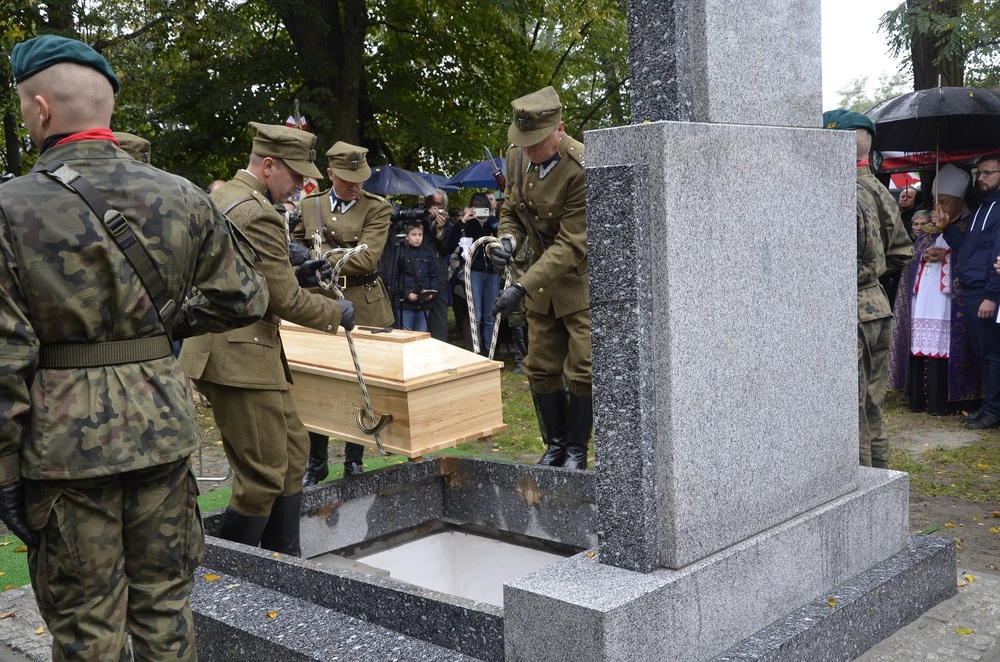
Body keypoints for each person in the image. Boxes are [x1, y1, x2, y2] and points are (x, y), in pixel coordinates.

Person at [0, 35, 269, 661]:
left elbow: (6, 353)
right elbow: (245, 298)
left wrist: (4, 468)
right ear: (109, 109)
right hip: (162, 427)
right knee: (165, 610)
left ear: (40, 108)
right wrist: (163, 324)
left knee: (87, 627)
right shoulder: (182, 194)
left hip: (65, 448)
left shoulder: (9, 208)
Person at [179, 122, 354, 557]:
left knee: (293, 452)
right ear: (269, 165)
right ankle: (229, 578)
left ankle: (283, 560)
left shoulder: (225, 196)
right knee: (263, 476)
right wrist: (337, 312)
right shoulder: (257, 212)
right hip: (237, 356)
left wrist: (297, 273)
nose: (299, 185)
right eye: (294, 175)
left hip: (236, 349)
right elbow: (284, 300)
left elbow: (243, 276)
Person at [489, 86, 591, 470]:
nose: (529, 150)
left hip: (576, 282)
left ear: (559, 128)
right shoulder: (517, 157)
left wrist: (521, 286)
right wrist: (507, 241)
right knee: (541, 367)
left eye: (537, 142)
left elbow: (570, 244)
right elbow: (511, 211)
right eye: (524, 142)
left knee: (583, 368)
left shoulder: (580, 167)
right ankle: (556, 445)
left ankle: (576, 451)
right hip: (539, 285)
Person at [295, 142, 393, 483]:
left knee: (360, 385)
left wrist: (316, 258)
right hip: (320, 304)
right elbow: (295, 247)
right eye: (349, 179)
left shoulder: (377, 208)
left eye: (360, 177)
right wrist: (302, 256)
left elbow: (367, 257)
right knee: (316, 384)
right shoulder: (310, 205)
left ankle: (354, 460)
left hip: (363, 306)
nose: (356, 185)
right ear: (331, 174)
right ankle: (317, 463)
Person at [825, 109, 913, 467]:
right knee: (873, 405)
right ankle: (880, 476)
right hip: (877, 305)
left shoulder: (840, 194)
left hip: (853, 310)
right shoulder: (880, 189)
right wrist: (874, 271)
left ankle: (862, 479)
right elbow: (902, 252)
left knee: (852, 407)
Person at [889, 166, 981, 415]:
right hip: (923, 301)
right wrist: (922, 256)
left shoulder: (968, 228)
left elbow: (972, 258)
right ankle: (920, 400)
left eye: (945, 202)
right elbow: (911, 259)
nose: (938, 207)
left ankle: (948, 402)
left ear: (959, 205)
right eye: (936, 202)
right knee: (922, 342)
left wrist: (947, 256)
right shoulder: (927, 232)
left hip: (949, 305)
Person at [936, 154, 1000, 430]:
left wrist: (992, 296)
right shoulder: (981, 209)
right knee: (983, 351)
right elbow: (967, 247)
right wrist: (947, 227)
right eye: (979, 173)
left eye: (988, 173)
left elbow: (998, 258)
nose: (981, 178)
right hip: (973, 289)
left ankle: (993, 411)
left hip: (985, 292)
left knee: (992, 353)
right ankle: (989, 406)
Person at [444, 191, 502, 354]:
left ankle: (490, 353)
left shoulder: (492, 223)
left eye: (482, 207)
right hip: (474, 272)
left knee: (490, 316)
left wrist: (492, 218)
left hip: (492, 272)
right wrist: (463, 220)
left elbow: (501, 237)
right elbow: (451, 244)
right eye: (476, 207)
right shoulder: (468, 225)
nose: (479, 210)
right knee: (475, 316)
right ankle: (475, 352)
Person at [397, 221, 439, 331]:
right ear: (407, 236)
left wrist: (431, 293)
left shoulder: (428, 253)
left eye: (420, 235)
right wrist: (406, 294)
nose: (417, 238)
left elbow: (434, 276)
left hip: (423, 303)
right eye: (414, 235)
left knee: (421, 333)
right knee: (406, 334)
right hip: (406, 304)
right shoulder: (400, 253)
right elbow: (394, 278)